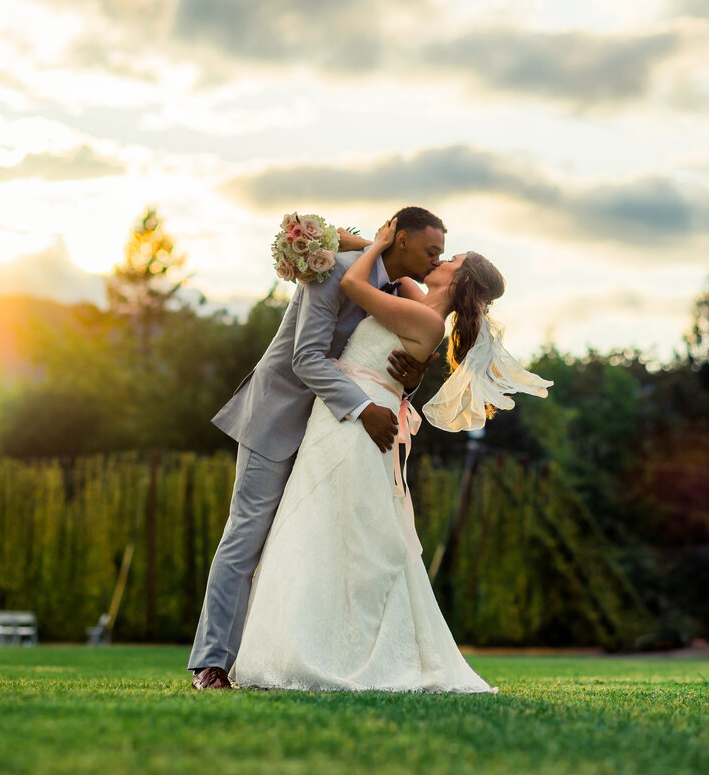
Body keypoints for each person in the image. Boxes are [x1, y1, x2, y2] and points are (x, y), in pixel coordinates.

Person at [228, 218, 552, 692]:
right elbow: (392, 267)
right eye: (438, 252)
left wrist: (382, 242)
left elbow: (354, 281)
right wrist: (376, 240)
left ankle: (327, 650)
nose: (440, 260)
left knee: (334, 525)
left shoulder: (423, 318)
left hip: (357, 420)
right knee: (320, 523)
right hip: (342, 412)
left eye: (451, 259)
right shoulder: (418, 303)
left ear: (459, 279)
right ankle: (305, 641)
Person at [188, 207, 450, 690]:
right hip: (280, 419)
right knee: (245, 538)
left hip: (328, 436)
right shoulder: (330, 271)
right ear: (402, 239)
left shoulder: (394, 294)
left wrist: (410, 382)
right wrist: (362, 408)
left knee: (300, 547)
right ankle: (212, 664)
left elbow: (379, 369)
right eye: (431, 250)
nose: (438, 259)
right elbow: (304, 357)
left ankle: (276, 657)